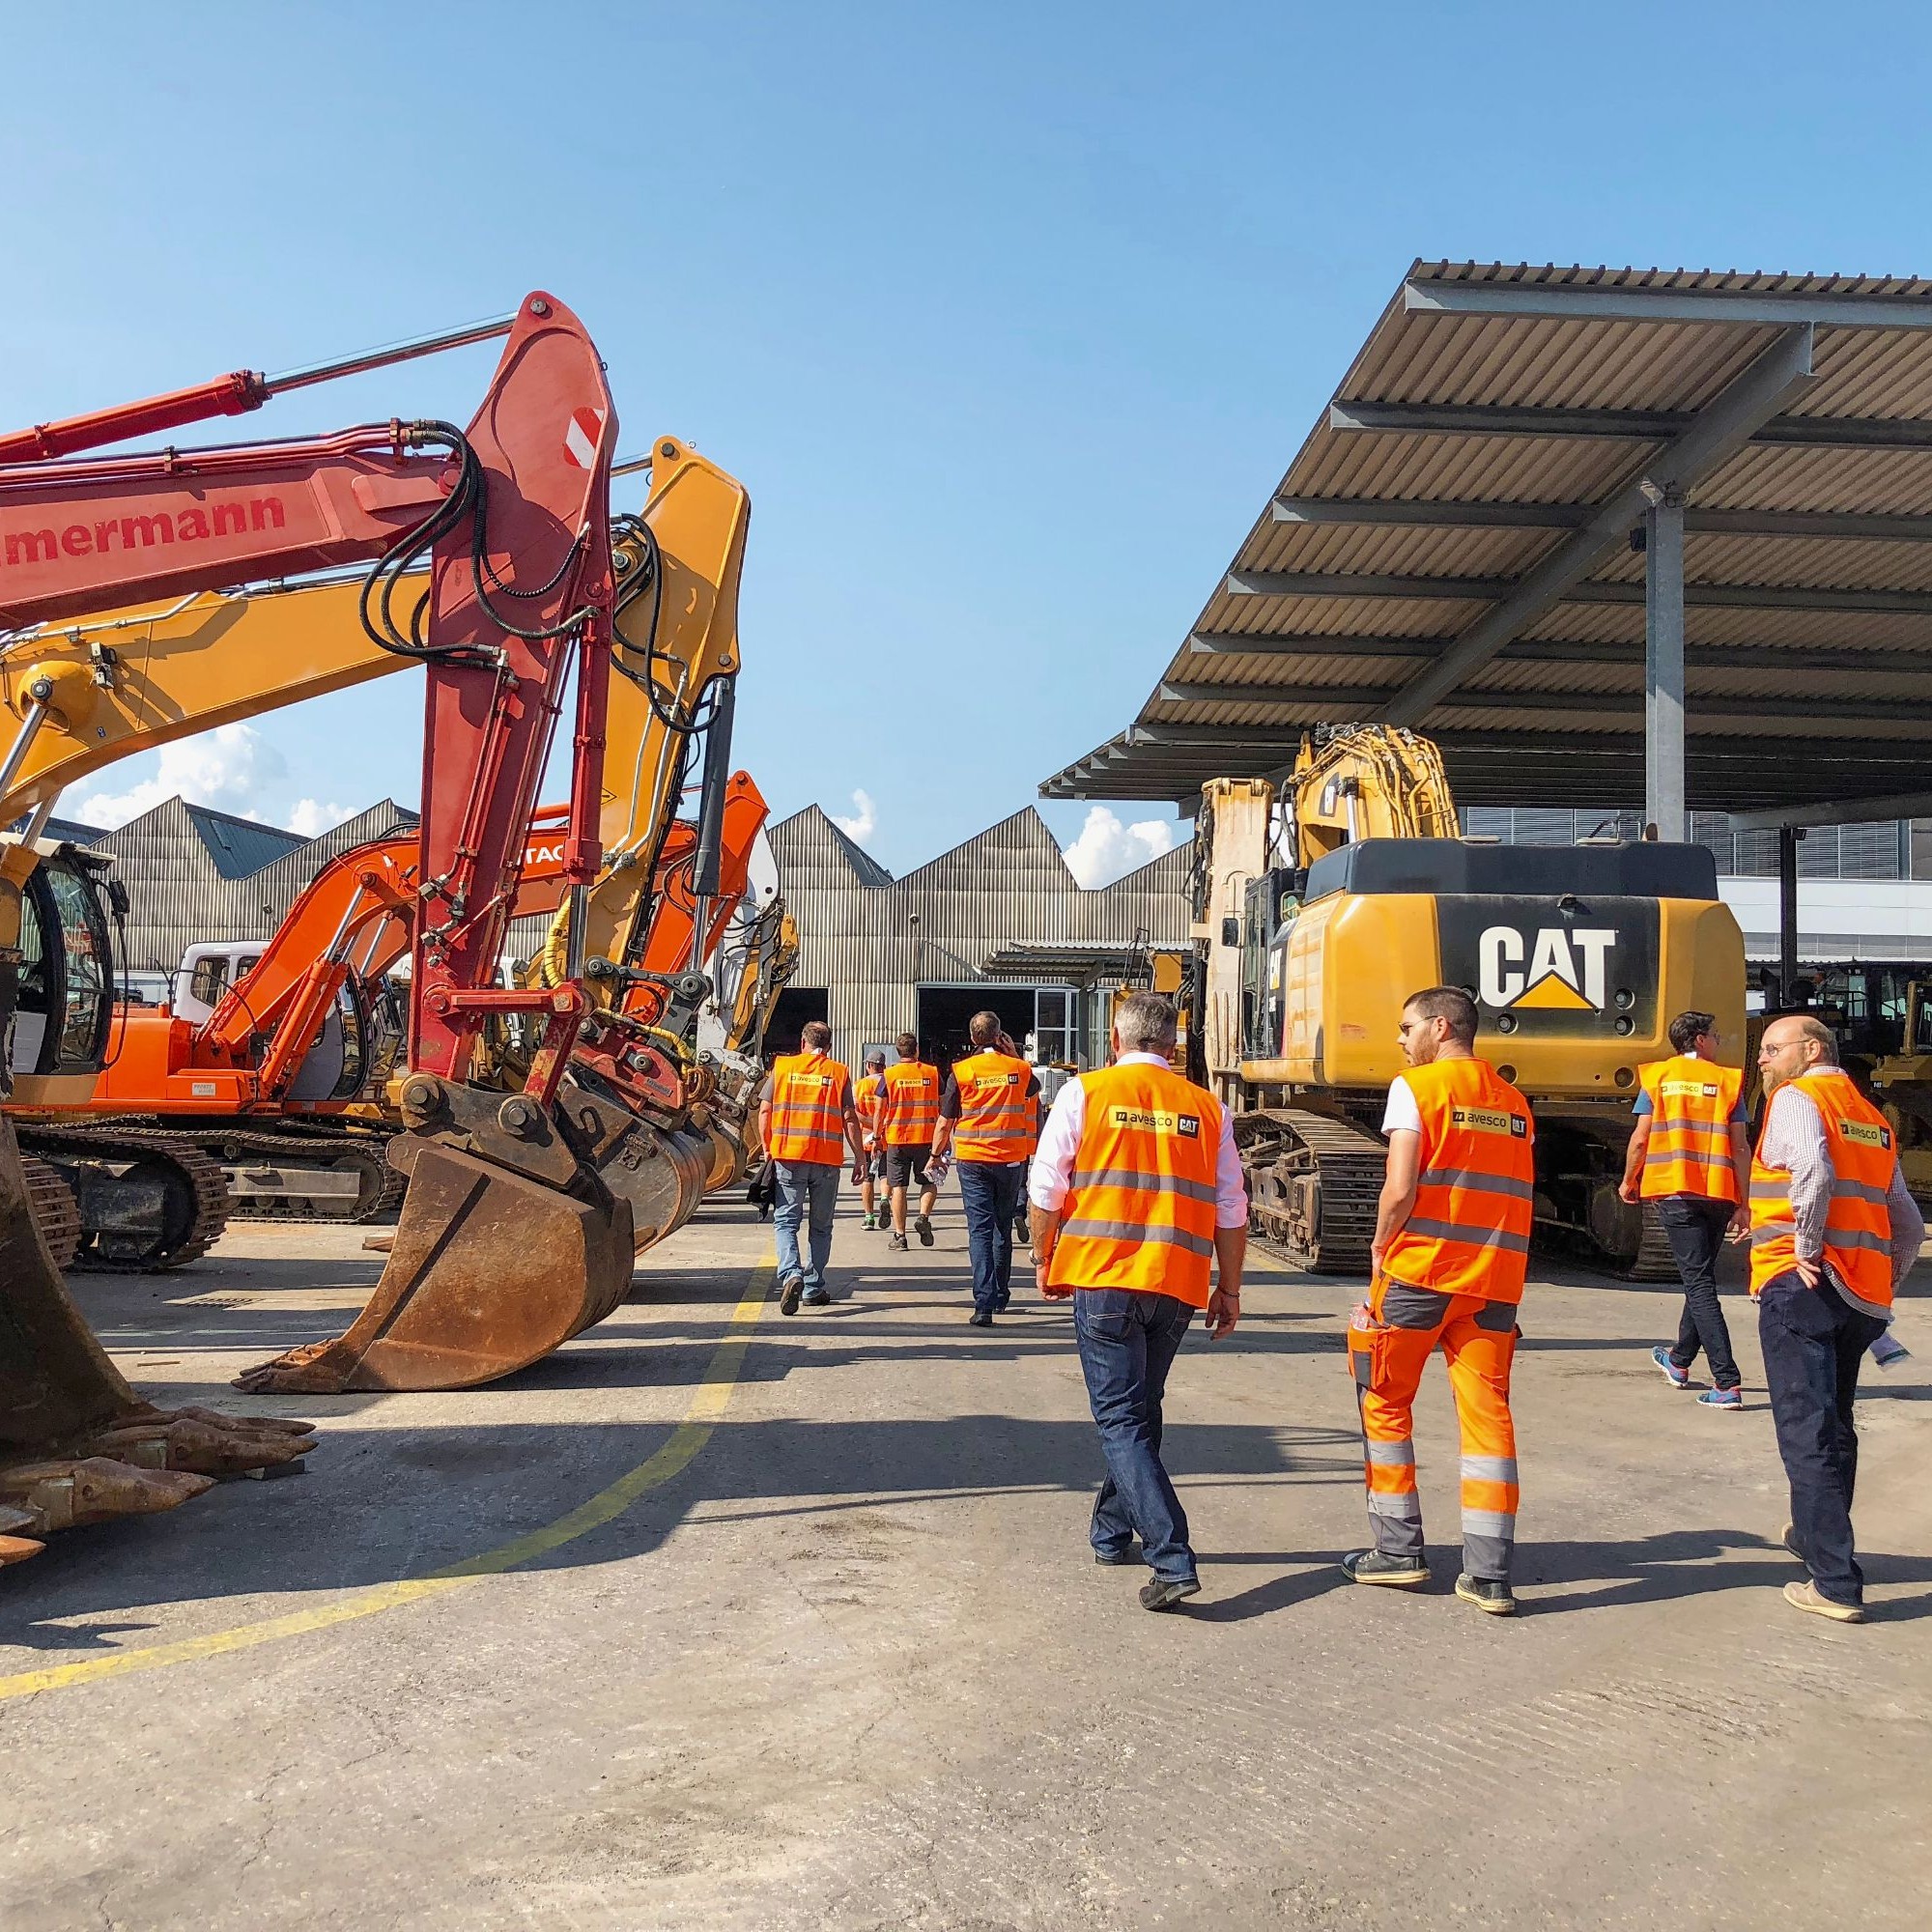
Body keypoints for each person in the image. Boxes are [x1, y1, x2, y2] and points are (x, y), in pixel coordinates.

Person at [1030, 992, 1246, 1612]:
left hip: (1102, 1280)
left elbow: (1047, 1188)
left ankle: (1172, 1556)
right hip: (1174, 1284)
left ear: (1115, 1042)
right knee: (1139, 1413)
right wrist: (1227, 1289)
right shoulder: (1209, 1108)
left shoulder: (1084, 1093)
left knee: (1123, 1421)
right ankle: (1109, 1532)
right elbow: (1232, 1209)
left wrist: (1046, 1259)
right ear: (1174, 1050)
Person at [1348, 985, 1533, 1616]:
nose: (1401, 1040)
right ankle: (1489, 1575)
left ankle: (1398, 1552)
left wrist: (1378, 1245)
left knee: (1384, 1401)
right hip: (1492, 1286)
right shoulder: (1514, 1103)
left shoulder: (1418, 1089)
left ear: (1442, 1026)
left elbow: (1401, 1187)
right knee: (1488, 1420)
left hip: (1421, 1275)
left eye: (1407, 1027)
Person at [1749, 1013, 1922, 1623]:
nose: (1763, 1059)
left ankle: (1833, 1581)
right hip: (1858, 1298)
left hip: (1802, 1285)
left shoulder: (1798, 1099)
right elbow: (1906, 1221)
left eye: (1773, 1048)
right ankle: (1815, 1536)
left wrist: (1803, 1245)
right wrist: (1884, 1282)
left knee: (1806, 1431)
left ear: (1811, 1050)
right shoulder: (1871, 1119)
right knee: (1835, 1424)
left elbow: (1814, 1173)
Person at [1620, 1009, 1751, 1408]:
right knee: (1702, 1277)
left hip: (1676, 1193)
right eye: (1714, 1035)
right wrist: (1744, 1203)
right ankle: (1678, 1361)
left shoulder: (1657, 1078)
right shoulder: (1728, 1082)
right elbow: (1741, 1146)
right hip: (1717, 1192)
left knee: (1698, 1284)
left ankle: (1727, 1382)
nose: (1719, 1041)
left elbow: (1641, 1139)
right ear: (1697, 1039)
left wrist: (1629, 1180)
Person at [932, 1012, 1041, 1325]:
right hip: (1010, 1159)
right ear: (999, 1036)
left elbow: (945, 1120)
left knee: (979, 1229)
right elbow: (1032, 1090)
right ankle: (1001, 1294)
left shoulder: (962, 1071)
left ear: (972, 1037)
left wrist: (935, 1153)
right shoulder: (1019, 1069)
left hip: (973, 1160)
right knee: (1001, 1227)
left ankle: (983, 1303)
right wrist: (1015, 1057)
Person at [759, 1022, 867, 1316]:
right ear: (829, 1046)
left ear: (802, 1042)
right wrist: (860, 1157)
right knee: (821, 1228)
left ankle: (791, 1273)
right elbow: (849, 1118)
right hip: (827, 1161)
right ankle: (812, 1287)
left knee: (785, 1222)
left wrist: (767, 1147)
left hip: (789, 1158)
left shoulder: (782, 1068)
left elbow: (765, 1110)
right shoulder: (838, 1072)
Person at [877, 1032, 940, 1253]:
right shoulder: (932, 1073)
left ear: (897, 1052)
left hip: (898, 1139)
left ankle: (900, 1236)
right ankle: (923, 1217)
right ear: (917, 1051)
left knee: (899, 1188)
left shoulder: (890, 1075)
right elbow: (944, 1107)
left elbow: (879, 1109)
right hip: (926, 1138)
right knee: (929, 1181)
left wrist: (876, 1137)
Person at [855, 1049, 890, 1231]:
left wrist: (869, 1123)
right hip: (886, 1138)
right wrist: (880, 1127)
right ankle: (885, 1199)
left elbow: (854, 1112)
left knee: (868, 1178)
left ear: (868, 1065)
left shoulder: (859, 1085)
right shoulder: (889, 1083)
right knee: (885, 1174)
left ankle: (868, 1217)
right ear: (883, 1066)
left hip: (866, 1140)